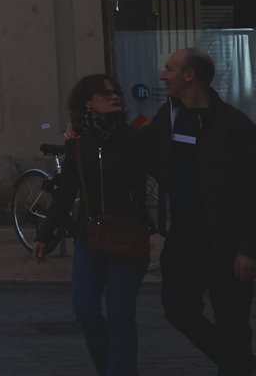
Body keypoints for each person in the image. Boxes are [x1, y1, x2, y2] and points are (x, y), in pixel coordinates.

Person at [33, 73, 151, 376]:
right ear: (88, 101)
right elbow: (67, 190)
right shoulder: (78, 142)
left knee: (120, 314)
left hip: (127, 235)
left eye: (117, 93)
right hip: (90, 235)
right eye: (106, 93)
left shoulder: (134, 138)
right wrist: (47, 234)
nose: (115, 97)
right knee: (84, 309)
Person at [148, 48, 256, 375]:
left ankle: (236, 364)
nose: (163, 75)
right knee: (178, 310)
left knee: (233, 325)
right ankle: (241, 364)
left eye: (169, 69)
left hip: (226, 247)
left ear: (189, 75)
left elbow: (250, 192)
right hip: (183, 242)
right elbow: (138, 151)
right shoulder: (167, 119)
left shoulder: (234, 126)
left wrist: (247, 249)